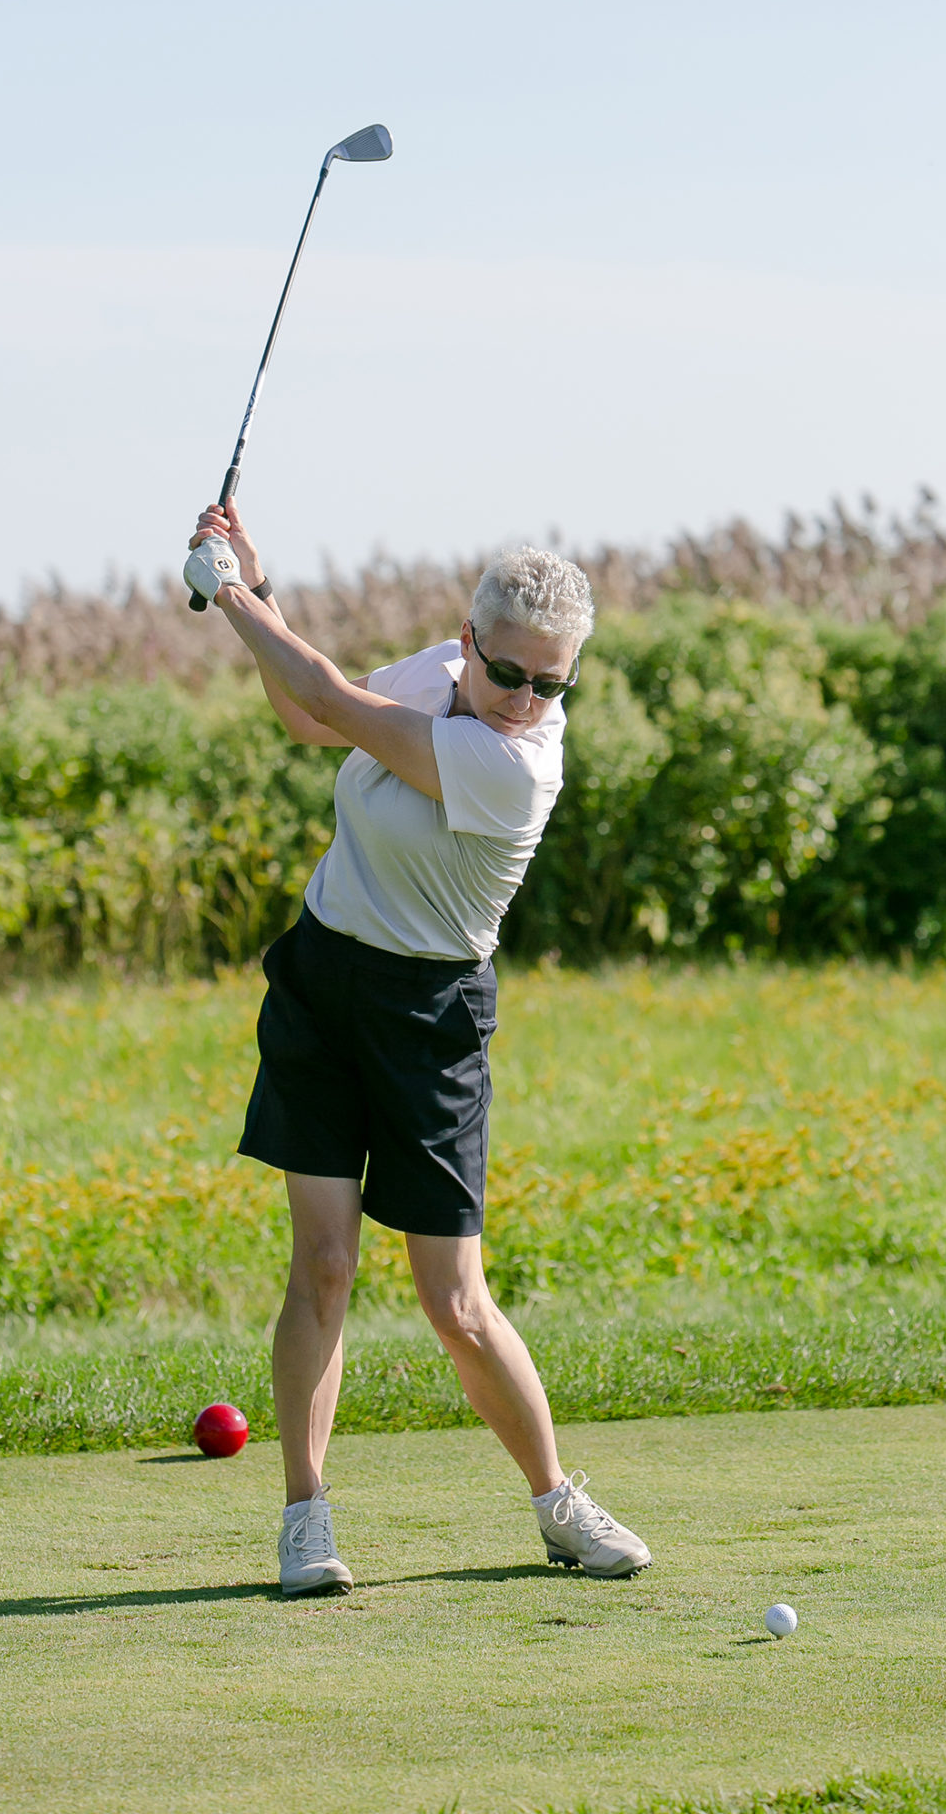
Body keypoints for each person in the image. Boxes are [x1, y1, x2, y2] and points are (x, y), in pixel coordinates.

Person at [185, 500, 651, 1599]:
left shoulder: (513, 767)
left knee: (454, 1298)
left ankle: (555, 1498)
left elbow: (335, 697)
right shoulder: (441, 673)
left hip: (429, 1013)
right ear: (470, 640)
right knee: (326, 1262)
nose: (528, 701)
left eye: (554, 684)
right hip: (322, 984)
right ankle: (307, 1517)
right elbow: (311, 719)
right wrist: (258, 588)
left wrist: (234, 596)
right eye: (511, 675)